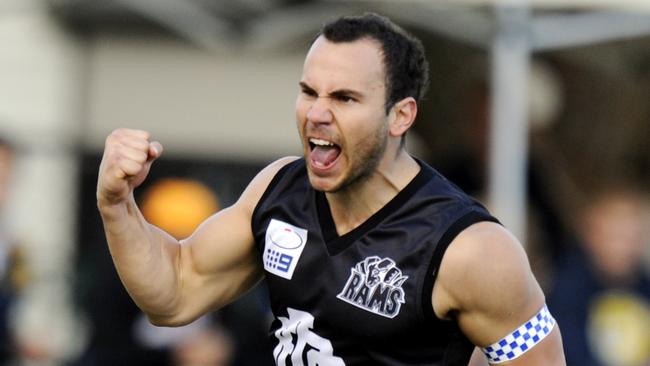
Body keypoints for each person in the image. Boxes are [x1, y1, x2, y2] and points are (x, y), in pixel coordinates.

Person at [96, 13, 565, 365]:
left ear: (400, 115)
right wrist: (117, 205)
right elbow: (174, 292)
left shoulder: (469, 250)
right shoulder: (278, 192)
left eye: (344, 98)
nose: (317, 113)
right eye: (309, 92)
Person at [548, 185, 650, 366]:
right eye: (615, 236)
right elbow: (568, 349)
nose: (623, 247)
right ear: (591, 235)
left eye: (631, 237)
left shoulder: (644, 286)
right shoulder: (569, 289)